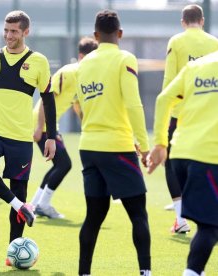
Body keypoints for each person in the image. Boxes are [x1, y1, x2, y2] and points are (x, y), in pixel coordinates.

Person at [0, 10, 56, 265]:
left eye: (14, 31)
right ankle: (20, 205)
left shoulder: (38, 61)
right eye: (6, 30)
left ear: (26, 32)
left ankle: (12, 253)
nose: (8, 35)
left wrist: (50, 136)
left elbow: (48, 98)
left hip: (20, 138)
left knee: (18, 188)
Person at [75, 10, 151, 276]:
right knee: (138, 215)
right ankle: (146, 272)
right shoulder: (125, 58)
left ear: (95, 36)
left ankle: (84, 272)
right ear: (119, 33)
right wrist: (143, 145)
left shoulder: (83, 64)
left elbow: (80, 104)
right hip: (117, 147)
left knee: (94, 216)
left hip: (88, 147)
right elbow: (133, 103)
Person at [148, 51, 218, 276]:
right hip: (208, 157)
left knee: (208, 223)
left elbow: (163, 99)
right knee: (210, 226)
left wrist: (160, 144)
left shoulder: (197, 66)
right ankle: (192, 272)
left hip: (180, 154)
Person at [161, 4, 218, 233]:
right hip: (208, 114)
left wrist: (167, 114)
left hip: (181, 113)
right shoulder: (215, 43)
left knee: (171, 162)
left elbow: (169, 80)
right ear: (202, 20)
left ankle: (181, 217)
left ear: (183, 21)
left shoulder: (176, 41)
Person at [30, 37, 98, 219]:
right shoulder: (69, 72)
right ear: (81, 56)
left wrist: (87, 125)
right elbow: (47, 98)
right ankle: (42, 204)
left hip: (51, 125)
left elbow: (77, 104)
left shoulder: (85, 76)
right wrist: (38, 128)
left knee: (58, 165)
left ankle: (35, 204)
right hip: (42, 122)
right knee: (64, 164)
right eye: (90, 57)